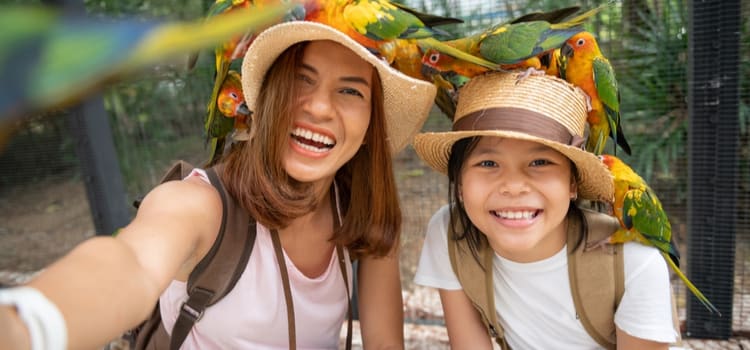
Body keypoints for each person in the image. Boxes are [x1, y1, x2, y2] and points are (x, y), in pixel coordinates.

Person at [0, 21, 436, 349]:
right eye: (300, 80)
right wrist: (28, 323)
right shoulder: (199, 205)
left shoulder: (361, 213)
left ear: (370, 123)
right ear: (263, 96)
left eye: (351, 92)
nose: (319, 107)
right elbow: (128, 264)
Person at [412, 71, 678, 349]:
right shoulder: (451, 233)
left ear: (572, 183)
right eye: (488, 163)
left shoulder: (632, 262)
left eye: (540, 162)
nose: (514, 187)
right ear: (459, 184)